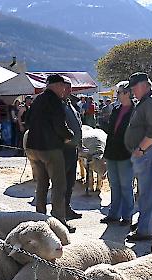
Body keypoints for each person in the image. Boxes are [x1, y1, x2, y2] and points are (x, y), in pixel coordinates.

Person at [24, 74, 75, 231]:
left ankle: (40, 217)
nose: (64, 89)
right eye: (63, 86)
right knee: (59, 185)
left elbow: (27, 119)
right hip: (50, 149)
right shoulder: (55, 101)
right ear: (57, 85)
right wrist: (69, 136)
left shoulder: (37, 99)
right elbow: (59, 125)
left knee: (42, 183)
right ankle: (59, 222)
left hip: (33, 147)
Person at [124, 72, 152, 242]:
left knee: (147, 193)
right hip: (146, 152)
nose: (132, 91)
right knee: (144, 192)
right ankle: (143, 224)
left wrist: (140, 149)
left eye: (134, 87)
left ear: (143, 85)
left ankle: (145, 231)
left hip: (148, 152)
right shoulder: (146, 101)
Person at [101, 81, 134, 226]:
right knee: (114, 184)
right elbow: (111, 132)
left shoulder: (135, 111)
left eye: (119, 92)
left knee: (126, 186)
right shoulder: (116, 109)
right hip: (112, 152)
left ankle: (127, 216)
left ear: (127, 93)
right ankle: (114, 214)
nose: (117, 95)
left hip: (126, 153)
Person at [62, 78, 83, 220]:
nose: (69, 91)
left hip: (73, 148)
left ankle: (67, 208)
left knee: (70, 181)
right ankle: (60, 211)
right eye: (66, 88)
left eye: (70, 88)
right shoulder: (58, 105)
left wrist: (79, 143)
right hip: (63, 149)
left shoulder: (70, 104)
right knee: (62, 182)